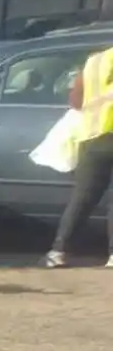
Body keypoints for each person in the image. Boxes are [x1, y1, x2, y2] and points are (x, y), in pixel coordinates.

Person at [45, 43, 113, 267]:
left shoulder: (95, 61)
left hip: (91, 137)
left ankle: (58, 251)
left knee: (82, 198)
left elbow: (75, 101)